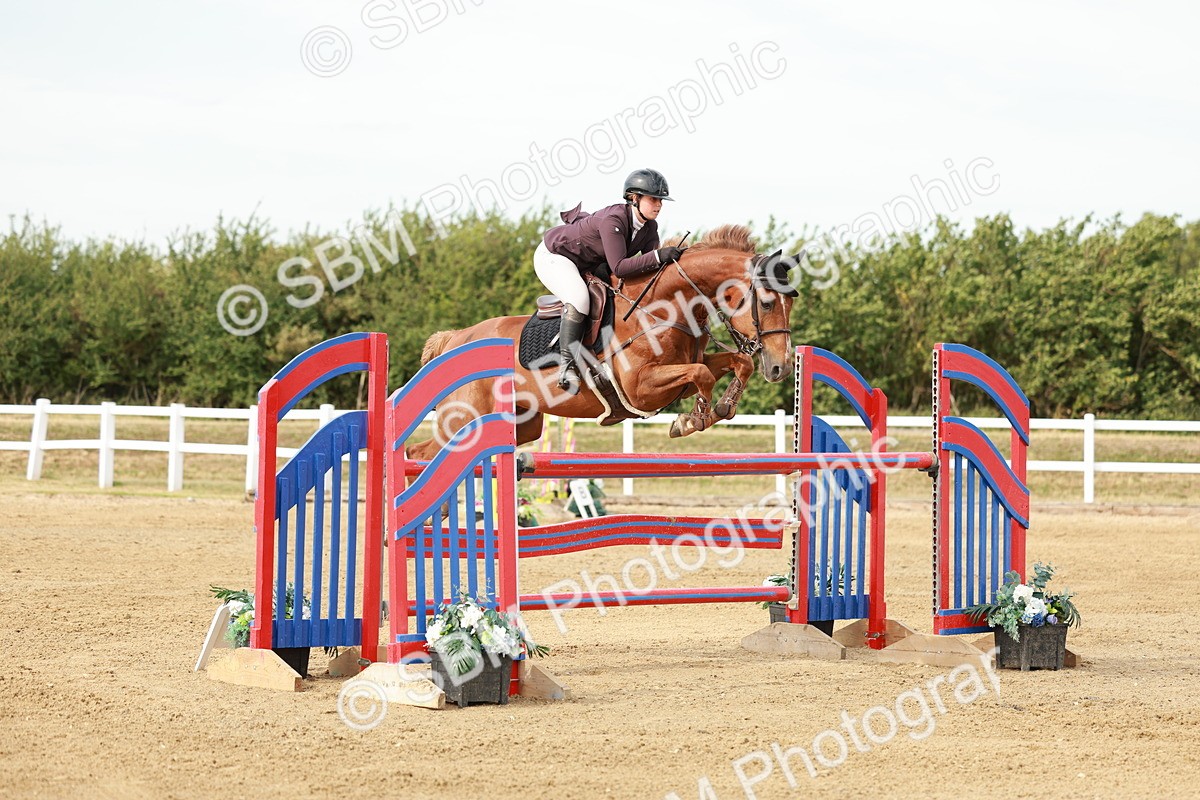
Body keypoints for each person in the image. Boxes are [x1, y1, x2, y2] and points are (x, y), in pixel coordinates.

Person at [536, 168, 687, 393]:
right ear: (634, 198)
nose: (659, 205)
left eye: (661, 200)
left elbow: (648, 271)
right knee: (579, 298)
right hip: (556, 256)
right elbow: (620, 267)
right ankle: (567, 367)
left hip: (589, 262)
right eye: (654, 199)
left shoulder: (649, 227)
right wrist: (658, 256)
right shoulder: (614, 219)